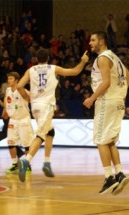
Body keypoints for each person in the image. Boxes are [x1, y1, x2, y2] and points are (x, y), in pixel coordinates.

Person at [17, 48, 89, 183]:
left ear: (36, 59)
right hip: (46, 106)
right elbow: (75, 71)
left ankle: (47, 163)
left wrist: (27, 98)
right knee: (42, 134)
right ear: (48, 58)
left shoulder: (30, 70)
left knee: (50, 132)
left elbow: (20, 86)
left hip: (35, 106)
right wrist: (83, 62)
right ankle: (26, 161)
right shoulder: (53, 68)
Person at [83, 31, 129, 195]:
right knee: (109, 140)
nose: (90, 43)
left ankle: (108, 177)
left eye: (93, 40)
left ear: (102, 41)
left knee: (100, 140)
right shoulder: (114, 57)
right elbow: (128, 74)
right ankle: (119, 173)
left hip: (106, 101)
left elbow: (106, 82)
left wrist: (91, 98)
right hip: (117, 101)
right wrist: (122, 94)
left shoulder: (103, 58)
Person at [3, 72, 34, 173]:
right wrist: (5, 109)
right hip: (13, 119)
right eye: (8, 78)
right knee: (11, 142)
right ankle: (14, 164)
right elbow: (5, 99)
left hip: (23, 119)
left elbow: (29, 98)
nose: (9, 80)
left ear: (17, 80)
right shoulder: (8, 90)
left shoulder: (22, 91)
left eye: (11, 78)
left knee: (26, 144)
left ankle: (27, 164)